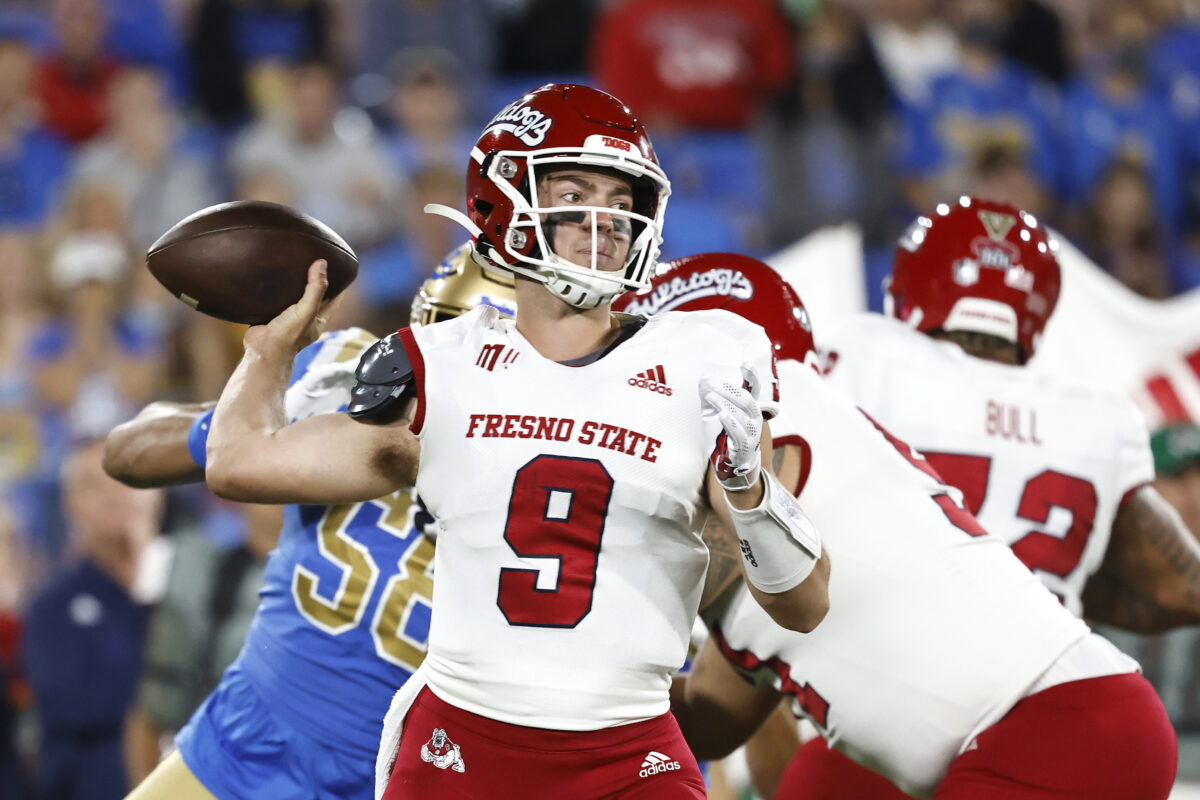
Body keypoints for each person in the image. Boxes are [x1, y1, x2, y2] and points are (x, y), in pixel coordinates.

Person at [203, 83, 830, 799]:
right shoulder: (443, 364)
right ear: (505, 201)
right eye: (577, 190)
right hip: (463, 745)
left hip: (628, 755)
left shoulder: (703, 360)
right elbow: (236, 462)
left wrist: (751, 493)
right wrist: (263, 355)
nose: (607, 221)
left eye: (621, 200)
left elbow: (803, 605)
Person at [615, 252, 1178, 800]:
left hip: (1051, 730)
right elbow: (713, 715)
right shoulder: (791, 475)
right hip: (1045, 728)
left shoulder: (773, 433)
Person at [804, 197, 1200, 794]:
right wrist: (1042, 598)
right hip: (1053, 706)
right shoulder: (1095, 417)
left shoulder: (867, 357)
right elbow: (1180, 587)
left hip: (899, 701)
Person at [105, 247, 497, 799]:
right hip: (244, 737)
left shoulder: (580, 480)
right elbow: (125, 452)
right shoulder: (351, 380)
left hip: (404, 778)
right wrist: (260, 412)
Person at [22, 439, 161, 800]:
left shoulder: (204, 583)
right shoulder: (52, 605)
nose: (113, 495)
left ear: (157, 494)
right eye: (93, 485)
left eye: (126, 478)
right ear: (69, 506)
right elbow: (72, 704)